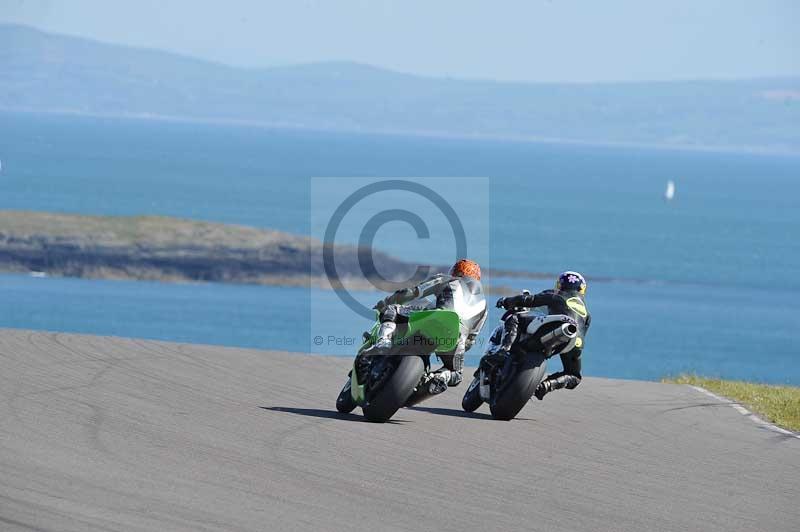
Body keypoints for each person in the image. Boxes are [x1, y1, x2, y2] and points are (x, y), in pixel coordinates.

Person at [368, 258, 487, 395]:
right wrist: (455, 344)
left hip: (438, 317)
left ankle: (384, 340)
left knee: (392, 309)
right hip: (458, 336)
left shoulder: (447, 279)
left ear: (456, 271)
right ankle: (441, 376)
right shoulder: (484, 307)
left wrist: (386, 301)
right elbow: (471, 339)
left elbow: (414, 292)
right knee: (456, 374)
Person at [493, 271, 591, 400]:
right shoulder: (587, 313)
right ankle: (547, 385)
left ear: (560, 285)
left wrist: (507, 301)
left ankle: (503, 350)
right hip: (574, 342)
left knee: (515, 318)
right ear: (582, 289)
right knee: (574, 376)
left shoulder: (556, 294)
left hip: (555, 329)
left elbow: (529, 300)